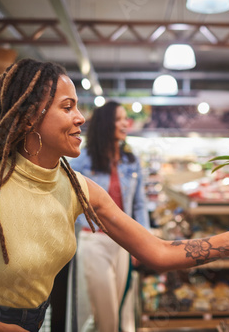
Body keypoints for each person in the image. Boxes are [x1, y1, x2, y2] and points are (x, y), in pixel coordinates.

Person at [0, 58, 229, 332]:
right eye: (67, 107)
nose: (80, 117)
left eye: (78, 107)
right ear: (27, 119)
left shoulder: (79, 189)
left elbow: (160, 253)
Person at [69, 101, 149, 332]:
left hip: (125, 240)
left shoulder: (131, 161)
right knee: (106, 313)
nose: (126, 123)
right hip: (94, 240)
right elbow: (67, 198)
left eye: (126, 119)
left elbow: (139, 205)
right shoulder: (83, 159)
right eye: (119, 119)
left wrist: (142, 242)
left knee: (124, 308)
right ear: (105, 125)